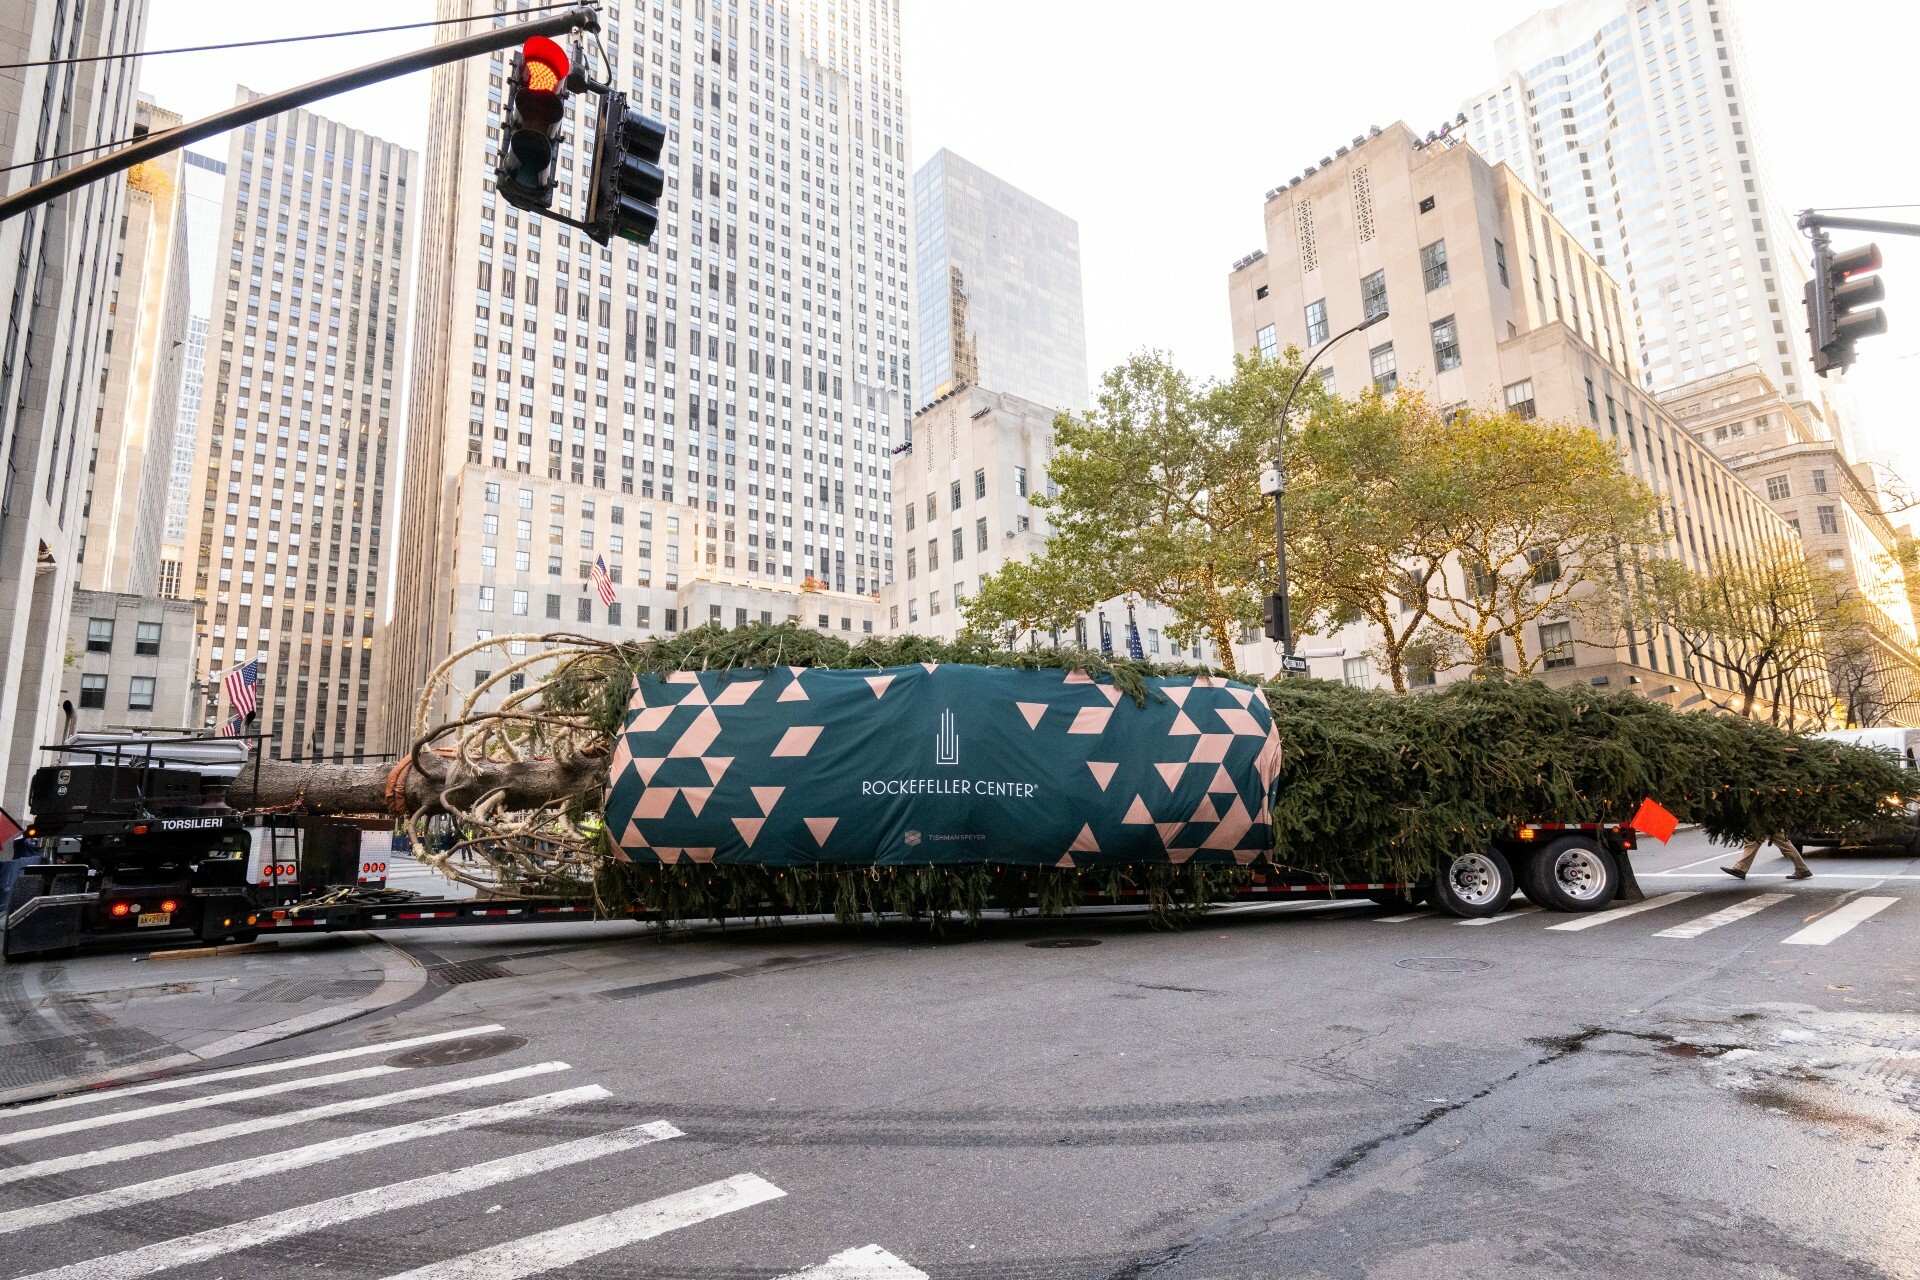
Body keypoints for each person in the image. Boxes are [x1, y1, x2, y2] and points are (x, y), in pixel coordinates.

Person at [1721, 833, 1811, 881]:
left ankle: (1802, 869)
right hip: (1765, 817)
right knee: (1751, 842)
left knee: (1785, 845)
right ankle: (1741, 868)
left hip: (1768, 818)